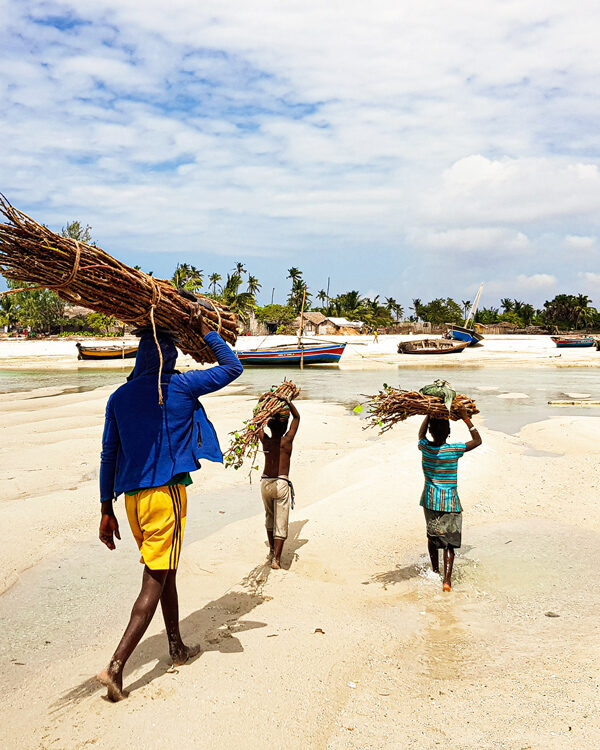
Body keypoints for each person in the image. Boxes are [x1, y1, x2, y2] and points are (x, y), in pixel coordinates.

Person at [96, 319, 243, 701]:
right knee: (154, 579)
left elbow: (109, 454)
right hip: (166, 498)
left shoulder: (120, 396)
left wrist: (104, 508)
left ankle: (176, 646)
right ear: (171, 356)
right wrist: (206, 330)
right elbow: (232, 367)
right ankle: (116, 666)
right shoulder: (179, 385)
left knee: (166, 570)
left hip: (132, 502)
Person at [417, 409, 481, 591]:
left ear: (431, 432)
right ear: (449, 433)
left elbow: (421, 434)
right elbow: (478, 441)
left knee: (433, 537)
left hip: (429, 501)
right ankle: (447, 580)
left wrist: (429, 414)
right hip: (450, 502)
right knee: (449, 543)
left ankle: (435, 571)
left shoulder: (425, 448)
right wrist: (466, 418)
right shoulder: (454, 450)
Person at [257, 398, 300, 569]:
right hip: (281, 483)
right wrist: (287, 401)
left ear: (269, 426)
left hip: (266, 483)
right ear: (284, 427)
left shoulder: (266, 441)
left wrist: (262, 405)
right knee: (280, 521)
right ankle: (276, 559)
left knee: (270, 517)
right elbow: (297, 418)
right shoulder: (287, 441)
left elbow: (255, 425)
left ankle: (271, 550)